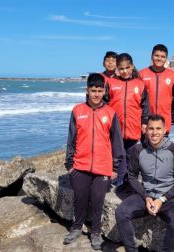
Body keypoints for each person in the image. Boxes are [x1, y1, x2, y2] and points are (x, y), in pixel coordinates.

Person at [63, 73, 124, 250]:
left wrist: (115, 167)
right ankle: (76, 228)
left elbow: (117, 142)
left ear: (104, 91)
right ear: (87, 90)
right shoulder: (77, 110)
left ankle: (96, 232)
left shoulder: (110, 113)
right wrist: (70, 165)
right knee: (80, 199)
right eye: (93, 90)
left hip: (102, 167)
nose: (96, 94)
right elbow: (71, 139)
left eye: (99, 90)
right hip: (80, 166)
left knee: (97, 200)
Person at [115, 114, 174, 252]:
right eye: (151, 129)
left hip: (168, 197)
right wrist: (146, 196)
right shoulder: (138, 149)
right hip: (145, 195)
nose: (155, 133)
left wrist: (162, 199)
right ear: (145, 130)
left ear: (165, 130)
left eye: (158, 129)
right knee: (121, 212)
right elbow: (132, 175)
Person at [107, 53, 149, 186]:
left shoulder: (140, 84)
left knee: (131, 155)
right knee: (117, 154)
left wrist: (144, 122)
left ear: (131, 67)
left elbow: (145, 106)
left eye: (127, 68)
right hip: (116, 127)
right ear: (117, 69)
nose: (124, 71)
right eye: (121, 69)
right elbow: (105, 104)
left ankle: (130, 180)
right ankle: (119, 180)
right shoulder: (111, 83)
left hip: (133, 126)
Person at [139, 44, 174, 135]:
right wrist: (142, 120)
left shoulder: (172, 75)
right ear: (151, 56)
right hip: (146, 122)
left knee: (163, 149)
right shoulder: (141, 74)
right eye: (156, 56)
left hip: (164, 122)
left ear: (166, 59)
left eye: (163, 57)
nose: (159, 59)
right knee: (146, 148)